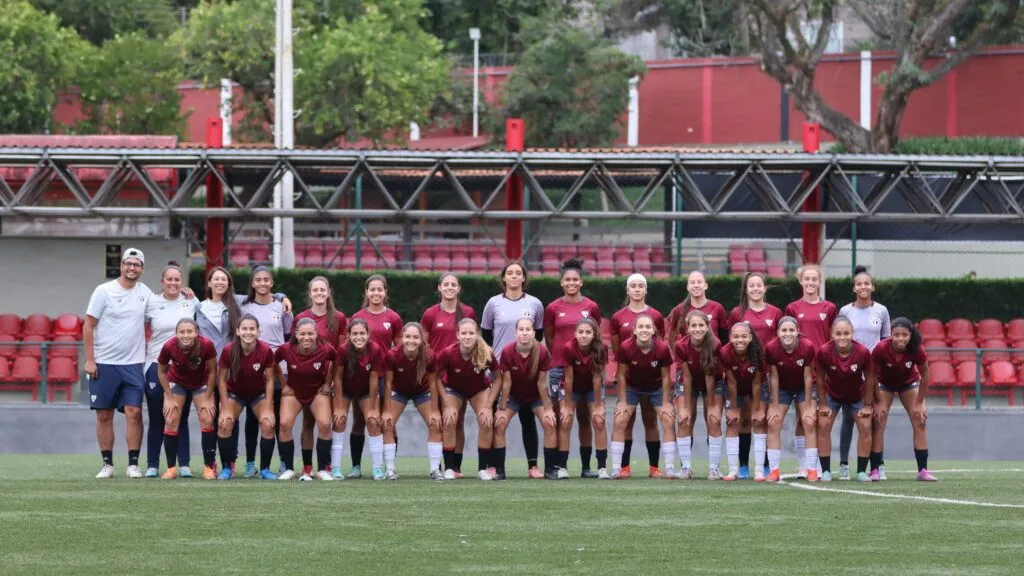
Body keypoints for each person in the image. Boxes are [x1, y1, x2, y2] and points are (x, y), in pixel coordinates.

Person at [85, 247, 153, 479]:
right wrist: (90, 360)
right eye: (128, 263)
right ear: (121, 266)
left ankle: (133, 464)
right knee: (104, 414)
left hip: (133, 364)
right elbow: (88, 325)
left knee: (134, 412)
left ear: (142, 269)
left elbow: (165, 307)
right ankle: (107, 465)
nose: (131, 268)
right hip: (104, 363)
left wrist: (185, 294)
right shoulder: (103, 291)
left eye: (136, 264)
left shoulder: (146, 293)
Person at [480, 261, 545, 478]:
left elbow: (539, 335)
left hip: (526, 371)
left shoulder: (535, 304)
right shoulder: (493, 303)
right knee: (495, 419)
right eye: (510, 273)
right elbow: (486, 335)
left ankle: (533, 466)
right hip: (499, 372)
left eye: (518, 273)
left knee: (528, 420)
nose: (514, 276)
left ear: (524, 278)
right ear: (504, 278)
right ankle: (494, 466)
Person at [544, 258, 602, 478]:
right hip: (560, 369)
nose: (571, 283)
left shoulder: (591, 307)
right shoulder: (552, 308)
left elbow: (595, 336)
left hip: (587, 370)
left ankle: (587, 467)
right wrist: (562, 356)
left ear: (581, 282)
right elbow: (550, 338)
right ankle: (561, 467)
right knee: (562, 417)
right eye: (567, 279)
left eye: (575, 279)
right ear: (561, 282)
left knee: (586, 419)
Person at [143, 262, 198, 478]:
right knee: (157, 417)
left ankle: (183, 464)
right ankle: (152, 464)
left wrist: (280, 296)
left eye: (177, 279)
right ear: (162, 282)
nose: (173, 283)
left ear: (181, 282)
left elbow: (217, 305)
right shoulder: (152, 302)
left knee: (180, 416)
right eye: (169, 279)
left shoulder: (191, 302)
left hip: (182, 367)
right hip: (156, 365)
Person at [726, 272, 782, 479]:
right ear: (746, 289)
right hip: (741, 375)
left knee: (762, 419)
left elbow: (779, 342)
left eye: (759, 285)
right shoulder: (736, 313)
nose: (756, 289)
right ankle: (742, 465)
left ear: (764, 288)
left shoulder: (776, 313)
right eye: (752, 286)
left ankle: (765, 465)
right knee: (743, 420)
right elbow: (730, 343)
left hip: (765, 374)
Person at [837, 265, 891, 480]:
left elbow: (886, 341)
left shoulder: (882, 310)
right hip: (849, 373)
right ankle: (843, 465)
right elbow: (839, 339)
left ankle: (877, 465)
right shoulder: (845, 311)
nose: (863, 287)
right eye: (859, 284)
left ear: (872, 287)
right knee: (848, 420)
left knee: (876, 419)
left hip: (874, 374)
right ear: (854, 288)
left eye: (866, 283)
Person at [608, 273, 664, 478]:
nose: (637, 289)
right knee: (625, 421)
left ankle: (654, 468)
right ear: (628, 290)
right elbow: (617, 350)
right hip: (629, 379)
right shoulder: (618, 317)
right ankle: (623, 468)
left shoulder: (656, 316)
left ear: (646, 290)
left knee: (651, 421)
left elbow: (659, 346)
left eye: (641, 286)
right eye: (634, 286)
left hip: (651, 379)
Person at [421, 272, 476, 477]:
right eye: (446, 284)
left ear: (459, 288)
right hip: (437, 376)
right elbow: (424, 345)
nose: (450, 287)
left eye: (454, 284)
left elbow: (473, 341)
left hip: (460, 373)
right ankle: (441, 466)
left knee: (457, 420)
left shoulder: (468, 312)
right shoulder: (430, 314)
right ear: (440, 288)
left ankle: (455, 466)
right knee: (442, 420)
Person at [240, 266, 294, 476]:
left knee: (279, 417)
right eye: (258, 280)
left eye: (266, 280)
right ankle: (251, 463)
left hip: (278, 370)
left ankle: (282, 461)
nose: (262, 283)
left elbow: (288, 338)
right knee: (253, 418)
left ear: (271, 283)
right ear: (253, 283)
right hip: (252, 370)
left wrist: (282, 297)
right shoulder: (244, 306)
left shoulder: (282, 307)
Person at [609, 314, 678, 479]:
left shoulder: (661, 348)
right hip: (632, 387)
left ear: (654, 330)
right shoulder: (626, 347)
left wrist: (666, 402)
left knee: (667, 419)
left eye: (648, 327)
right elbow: (622, 375)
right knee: (620, 420)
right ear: (634, 330)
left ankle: (665, 468)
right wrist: (623, 401)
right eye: (640, 327)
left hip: (656, 388)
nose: (644, 330)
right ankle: (618, 469)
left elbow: (667, 377)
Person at [784, 264, 837, 477]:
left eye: (814, 279)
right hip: (799, 370)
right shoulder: (792, 308)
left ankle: (816, 464)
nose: (810, 283)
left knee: (816, 419)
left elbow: (835, 338)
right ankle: (803, 464)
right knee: (802, 418)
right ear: (801, 282)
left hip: (821, 371)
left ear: (819, 282)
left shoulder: (830, 308)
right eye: (807, 279)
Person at [348, 274, 403, 478]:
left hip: (383, 377)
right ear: (366, 292)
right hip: (361, 376)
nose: (376, 293)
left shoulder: (394, 318)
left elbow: (398, 349)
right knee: (359, 421)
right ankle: (355, 466)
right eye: (372, 289)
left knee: (386, 421)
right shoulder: (357, 317)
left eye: (380, 289)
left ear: (385, 292)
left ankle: (389, 466)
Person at [870, 318, 937, 482]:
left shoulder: (916, 350)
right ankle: (875, 469)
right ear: (890, 335)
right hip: (884, 384)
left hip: (908, 384)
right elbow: (871, 376)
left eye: (904, 335)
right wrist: (877, 402)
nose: (901, 338)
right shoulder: (880, 349)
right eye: (897, 335)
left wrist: (920, 403)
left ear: (910, 335)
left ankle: (923, 470)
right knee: (878, 420)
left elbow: (925, 375)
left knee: (919, 420)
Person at [292, 276, 346, 479]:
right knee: (307, 422)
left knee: (326, 422)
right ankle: (307, 467)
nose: (319, 293)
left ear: (328, 292)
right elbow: (294, 351)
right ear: (310, 293)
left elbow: (339, 353)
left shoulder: (338, 318)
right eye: (315, 290)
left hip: (329, 379)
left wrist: (329, 380)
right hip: (306, 379)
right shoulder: (301, 318)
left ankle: (326, 467)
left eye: (322, 290)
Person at [215, 315, 278, 480]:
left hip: (258, 394)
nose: (248, 332)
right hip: (235, 394)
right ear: (237, 331)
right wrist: (224, 406)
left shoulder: (265, 350)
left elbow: (270, 380)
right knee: (224, 422)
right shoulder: (229, 350)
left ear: (258, 331)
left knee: (268, 423)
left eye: (252, 329)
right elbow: (221, 380)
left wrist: (269, 406)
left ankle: (264, 469)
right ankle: (227, 468)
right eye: (244, 329)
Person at [815, 316, 876, 483]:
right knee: (824, 425)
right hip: (832, 395)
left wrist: (867, 405)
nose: (842, 337)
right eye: (838, 333)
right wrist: (822, 404)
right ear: (832, 334)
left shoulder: (863, 352)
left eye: (846, 333)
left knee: (865, 426)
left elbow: (870, 377)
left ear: (852, 334)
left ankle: (862, 472)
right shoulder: (824, 351)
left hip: (857, 396)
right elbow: (819, 378)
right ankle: (826, 470)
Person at [493, 317, 555, 480]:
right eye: (521, 329)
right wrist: (501, 408)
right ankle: (500, 471)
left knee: (549, 422)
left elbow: (542, 384)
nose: (525, 332)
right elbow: (506, 383)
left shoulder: (541, 352)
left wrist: (548, 409)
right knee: (499, 423)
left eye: (528, 329)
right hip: (513, 397)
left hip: (535, 397)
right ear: (516, 332)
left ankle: (549, 470)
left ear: (534, 332)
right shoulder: (507, 351)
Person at [436, 318, 498, 480]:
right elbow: (436, 378)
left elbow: (499, 379)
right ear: (457, 335)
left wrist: (488, 405)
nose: (467, 336)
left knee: (486, 420)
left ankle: (482, 469)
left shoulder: (486, 352)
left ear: (477, 334)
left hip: (479, 390)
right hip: (454, 389)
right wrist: (446, 404)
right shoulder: (448, 353)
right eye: (464, 333)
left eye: (471, 333)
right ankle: (450, 468)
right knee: (449, 420)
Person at [155, 319, 217, 480]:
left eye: (189, 331)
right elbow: (161, 372)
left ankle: (209, 468)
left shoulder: (206, 345)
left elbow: (212, 371)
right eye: (182, 332)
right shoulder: (169, 346)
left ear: (196, 333)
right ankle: (171, 469)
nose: (186, 335)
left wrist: (209, 397)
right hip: (177, 383)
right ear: (176, 334)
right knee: (171, 418)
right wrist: (168, 397)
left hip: (200, 383)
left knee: (207, 416)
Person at [275, 318, 336, 481]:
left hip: (317, 392)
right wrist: (283, 384)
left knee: (324, 423)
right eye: (302, 334)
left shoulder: (326, 348)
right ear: (296, 334)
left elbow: (337, 362)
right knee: (284, 424)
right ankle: (289, 468)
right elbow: (272, 362)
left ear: (316, 334)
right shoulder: (286, 349)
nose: (306, 337)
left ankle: (323, 469)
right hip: (294, 392)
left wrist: (328, 383)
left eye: (310, 333)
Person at [381, 322, 443, 480]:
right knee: (387, 423)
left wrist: (435, 411)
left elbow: (433, 383)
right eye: (408, 336)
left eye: (416, 337)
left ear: (422, 339)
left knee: (435, 423)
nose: (411, 340)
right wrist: (386, 411)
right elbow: (388, 384)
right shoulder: (392, 355)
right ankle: (390, 470)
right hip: (399, 392)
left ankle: (435, 470)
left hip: (422, 392)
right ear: (401, 338)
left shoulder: (429, 355)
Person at [763, 316, 819, 482]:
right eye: (784, 330)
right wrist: (773, 405)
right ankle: (773, 470)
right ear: (778, 332)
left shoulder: (807, 346)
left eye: (791, 330)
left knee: (808, 421)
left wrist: (809, 405)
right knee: (773, 421)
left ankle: (811, 469)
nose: (788, 333)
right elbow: (773, 377)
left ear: (797, 332)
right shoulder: (771, 348)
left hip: (804, 386)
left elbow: (808, 377)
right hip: (782, 388)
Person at [332, 319, 386, 479]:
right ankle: (336, 468)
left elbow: (374, 379)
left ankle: (378, 468)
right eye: (354, 333)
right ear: (348, 335)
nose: (358, 337)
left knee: (373, 421)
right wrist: (339, 406)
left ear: (368, 335)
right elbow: (339, 378)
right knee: (339, 420)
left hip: (365, 392)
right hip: (346, 391)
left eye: (362, 333)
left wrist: (373, 406)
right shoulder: (342, 350)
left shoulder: (375, 349)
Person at [673, 310, 724, 480]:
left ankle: (714, 469)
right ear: (688, 328)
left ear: (708, 327)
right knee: (684, 419)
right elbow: (686, 376)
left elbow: (710, 375)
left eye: (701, 325)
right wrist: (686, 408)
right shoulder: (681, 346)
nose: (697, 329)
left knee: (714, 419)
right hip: (689, 382)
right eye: (693, 325)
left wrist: (711, 406)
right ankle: (686, 468)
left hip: (712, 381)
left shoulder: (715, 344)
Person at [560, 318, 609, 478]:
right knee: (566, 420)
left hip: (590, 389)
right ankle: (562, 468)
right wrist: (567, 405)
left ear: (594, 334)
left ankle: (600, 468)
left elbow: (597, 378)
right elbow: (568, 379)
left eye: (588, 332)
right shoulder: (569, 348)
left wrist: (598, 405)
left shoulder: (601, 348)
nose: (584, 335)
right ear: (575, 334)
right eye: (580, 332)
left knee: (598, 420)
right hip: (572, 388)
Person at [719, 322, 766, 481]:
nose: (740, 340)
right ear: (730, 337)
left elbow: (757, 383)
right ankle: (734, 470)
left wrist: (758, 408)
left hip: (755, 386)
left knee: (758, 421)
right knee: (732, 421)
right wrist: (733, 408)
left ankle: (759, 470)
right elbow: (731, 383)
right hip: (734, 388)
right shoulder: (725, 353)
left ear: (750, 337)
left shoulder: (758, 353)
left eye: (744, 336)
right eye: (736, 336)